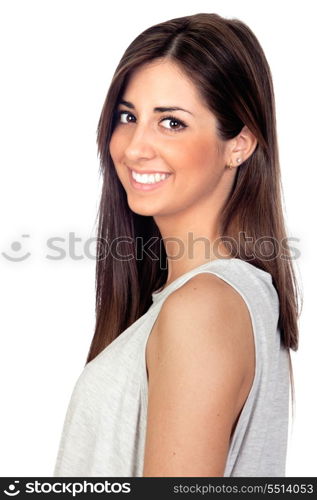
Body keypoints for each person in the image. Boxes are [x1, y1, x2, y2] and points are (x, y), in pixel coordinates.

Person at [53, 12, 301, 477]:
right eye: (128, 116)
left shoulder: (204, 306)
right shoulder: (223, 299)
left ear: (239, 144)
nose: (133, 148)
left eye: (171, 123)